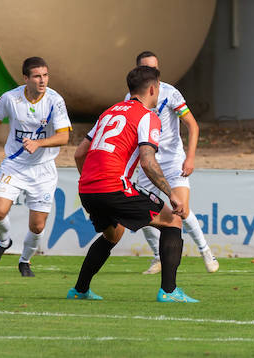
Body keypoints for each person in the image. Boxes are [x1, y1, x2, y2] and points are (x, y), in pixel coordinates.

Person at [68, 66, 198, 302]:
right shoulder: (148, 117)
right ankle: (169, 292)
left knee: (113, 234)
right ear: (152, 89)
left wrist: (89, 182)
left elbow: (79, 154)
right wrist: (171, 194)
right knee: (173, 221)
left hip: (87, 188)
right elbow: (148, 162)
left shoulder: (109, 112)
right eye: (158, 88)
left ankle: (79, 290)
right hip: (113, 187)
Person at [0, 56, 72, 277]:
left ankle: (25, 261)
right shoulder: (11, 98)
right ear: (26, 78)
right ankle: (4, 242)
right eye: (37, 76)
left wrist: (39, 143)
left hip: (43, 170)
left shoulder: (55, 101)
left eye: (45, 75)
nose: (42, 80)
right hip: (15, 166)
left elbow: (64, 137)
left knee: (37, 226)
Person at [126, 51, 219, 275]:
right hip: (148, 162)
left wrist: (190, 157)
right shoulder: (131, 98)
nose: (154, 74)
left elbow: (192, 126)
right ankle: (158, 257)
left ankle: (205, 251)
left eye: (155, 69)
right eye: (147, 69)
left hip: (172, 160)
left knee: (181, 209)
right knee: (145, 213)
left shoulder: (170, 93)